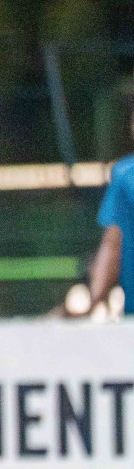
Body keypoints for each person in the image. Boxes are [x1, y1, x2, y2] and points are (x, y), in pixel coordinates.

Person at [87, 105, 134, 317]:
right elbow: (112, 245)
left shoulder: (126, 174)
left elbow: (112, 245)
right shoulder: (126, 175)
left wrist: (93, 302)